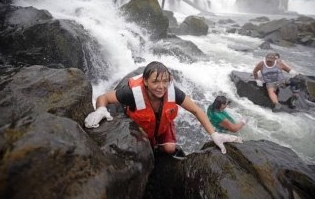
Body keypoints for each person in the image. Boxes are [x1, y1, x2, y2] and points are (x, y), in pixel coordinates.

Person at [85, 61, 242, 154]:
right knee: (138, 151)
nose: (161, 87)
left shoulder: (173, 92)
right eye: (155, 82)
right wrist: (100, 109)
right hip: (140, 125)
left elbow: (196, 110)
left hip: (162, 123)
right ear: (145, 81)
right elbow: (103, 97)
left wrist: (214, 134)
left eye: (165, 81)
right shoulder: (132, 93)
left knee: (169, 149)